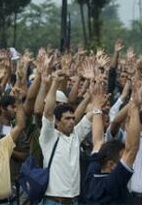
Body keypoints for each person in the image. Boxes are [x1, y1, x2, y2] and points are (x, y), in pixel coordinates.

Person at [39, 71, 92, 205]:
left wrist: (92, 96)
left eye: (73, 119)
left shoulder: (75, 137)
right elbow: (48, 111)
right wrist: (55, 83)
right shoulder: (49, 137)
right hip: (53, 201)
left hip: (73, 201)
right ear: (57, 122)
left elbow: (89, 116)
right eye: (67, 119)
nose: (72, 121)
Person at [84, 83, 141, 204]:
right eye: (121, 159)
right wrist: (135, 107)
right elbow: (132, 149)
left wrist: (97, 106)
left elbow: (98, 140)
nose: (125, 160)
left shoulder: (93, 171)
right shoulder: (113, 182)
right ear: (110, 164)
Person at [0, 88, 26, 204]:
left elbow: (24, 155)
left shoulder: (10, 139)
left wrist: (5, 149)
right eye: (12, 107)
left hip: (10, 190)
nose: (15, 110)